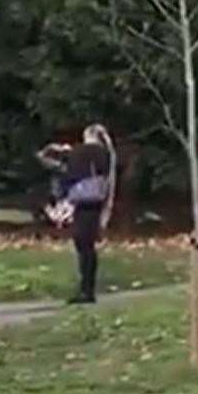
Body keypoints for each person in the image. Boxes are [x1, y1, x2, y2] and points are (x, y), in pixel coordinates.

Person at [38, 124, 115, 304]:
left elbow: (54, 162)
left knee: (83, 244)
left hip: (83, 200)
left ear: (87, 135)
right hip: (95, 201)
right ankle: (87, 288)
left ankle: (86, 291)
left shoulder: (82, 152)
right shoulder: (105, 154)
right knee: (87, 245)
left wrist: (59, 150)